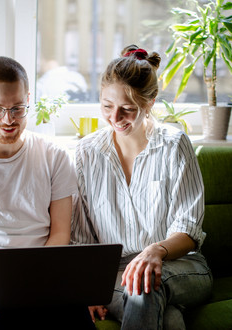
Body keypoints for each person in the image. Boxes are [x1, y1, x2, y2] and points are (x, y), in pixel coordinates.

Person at [72, 45, 213, 329]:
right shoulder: (85, 153)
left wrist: (155, 251)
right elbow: (81, 236)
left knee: (144, 284)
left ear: (150, 103)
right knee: (170, 321)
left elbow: (188, 230)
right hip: (114, 275)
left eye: (128, 109)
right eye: (107, 106)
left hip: (182, 266)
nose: (115, 118)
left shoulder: (174, 144)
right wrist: (84, 289)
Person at [0, 56, 94, 329]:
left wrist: (35, 273)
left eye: (17, 108)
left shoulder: (54, 155)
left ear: (28, 100)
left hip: (40, 269)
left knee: (75, 320)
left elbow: (60, 233)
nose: (9, 120)